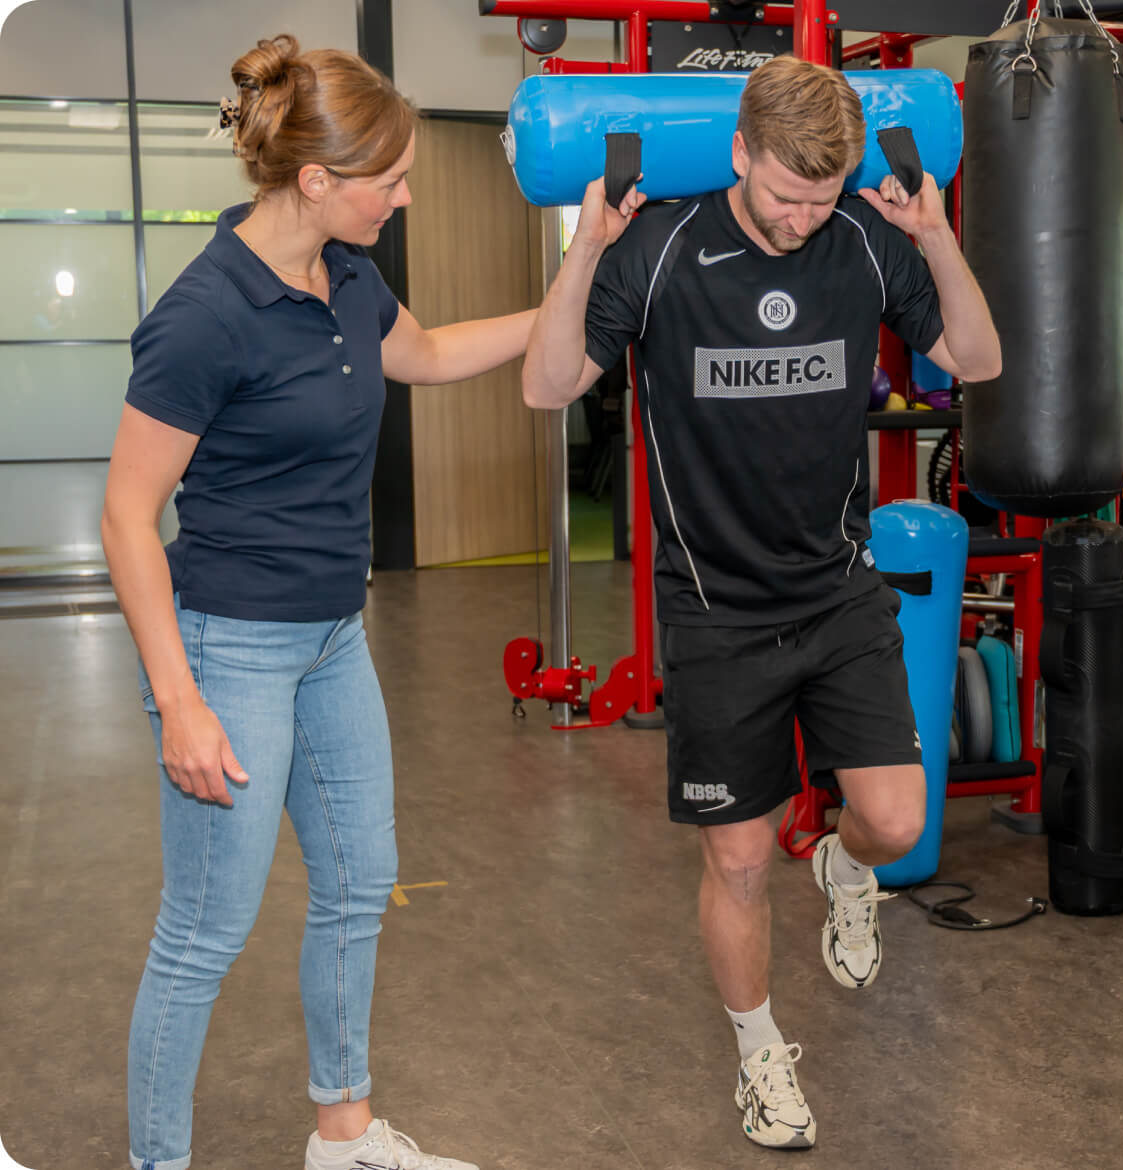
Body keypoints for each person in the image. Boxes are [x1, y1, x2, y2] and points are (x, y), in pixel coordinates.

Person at [521, 55, 1000, 1150]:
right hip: (715, 613)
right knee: (737, 859)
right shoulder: (661, 246)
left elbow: (976, 356)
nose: (800, 219)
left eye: (821, 199)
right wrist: (586, 247)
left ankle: (839, 862)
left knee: (895, 820)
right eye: (786, 194)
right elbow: (547, 386)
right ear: (740, 152)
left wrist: (932, 233)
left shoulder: (868, 237)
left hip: (836, 594)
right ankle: (758, 1057)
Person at [102, 34, 531, 1170]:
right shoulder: (206, 317)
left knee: (358, 886)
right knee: (205, 932)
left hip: (335, 639)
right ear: (317, 181)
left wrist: (565, 316)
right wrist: (180, 699)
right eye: (388, 178)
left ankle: (343, 1134)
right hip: (228, 648)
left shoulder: (348, 274)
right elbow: (126, 518)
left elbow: (428, 355)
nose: (403, 194)